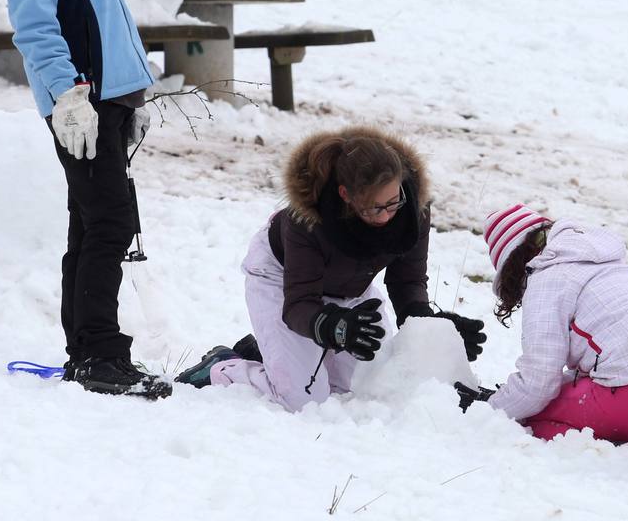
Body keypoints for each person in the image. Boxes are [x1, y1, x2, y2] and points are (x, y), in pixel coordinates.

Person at [4, 0, 170, 400]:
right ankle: (99, 354)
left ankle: (88, 352)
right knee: (109, 223)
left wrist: (137, 87)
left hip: (113, 94)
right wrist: (65, 94)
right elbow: (33, 13)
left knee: (93, 222)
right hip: (81, 96)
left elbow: (107, 6)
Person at [176, 127, 487, 411]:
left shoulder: (412, 209)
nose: (387, 216)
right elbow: (299, 303)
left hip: (350, 289)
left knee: (364, 387)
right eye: (375, 208)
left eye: (394, 202)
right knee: (304, 400)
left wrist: (432, 330)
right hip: (282, 281)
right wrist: (335, 328)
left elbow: (407, 279)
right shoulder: (307, 222)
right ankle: (224, 366)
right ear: (346, 196)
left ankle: (271, 353)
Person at [456, 205, 628, 446]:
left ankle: (607, 444)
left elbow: (538, 385)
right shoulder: (615, 266)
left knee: (532, 415)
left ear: (514, 267)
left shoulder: (547, 276)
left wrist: (489, 407)